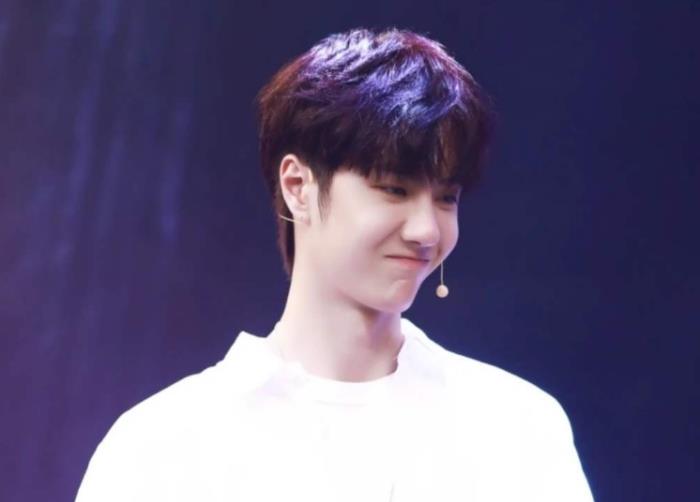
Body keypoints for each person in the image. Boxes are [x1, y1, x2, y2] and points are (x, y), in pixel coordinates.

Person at [76, 28, 594, 501]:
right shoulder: (162, 449)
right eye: (394, 189)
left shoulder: (517, 429)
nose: (426, 230)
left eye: (446, 198)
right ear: (297, 187)